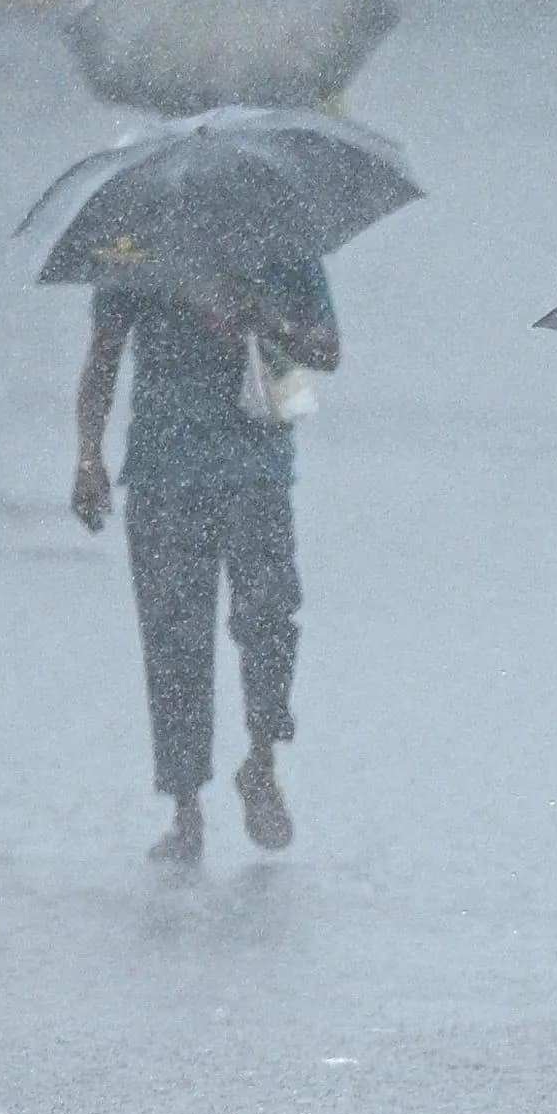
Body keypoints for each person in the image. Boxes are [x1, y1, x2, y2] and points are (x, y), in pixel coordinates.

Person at [72, 260, 341, 863]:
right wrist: (89, 457)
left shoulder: (285, 246)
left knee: (270, 618)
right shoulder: (137, 253)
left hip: (257, 468)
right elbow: (105, 355)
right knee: (173, 642)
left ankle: (262, 759)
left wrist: (259, 319)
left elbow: (326, 351)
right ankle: (185, 804)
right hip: (162, 474)